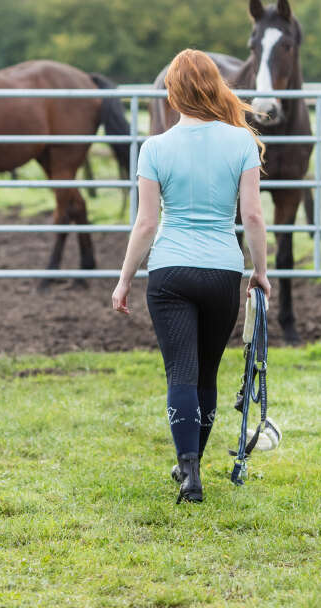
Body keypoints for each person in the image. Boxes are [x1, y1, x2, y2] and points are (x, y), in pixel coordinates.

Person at [112, 48, 271, 504]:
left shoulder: (155, 147)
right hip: (222, 269)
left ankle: (189, 472)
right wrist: (259, 272)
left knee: (179, 373)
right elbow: (254, 216)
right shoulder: (241, 141)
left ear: (173, 94)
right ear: (214, 87)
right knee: (206, 374)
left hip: (170, 271)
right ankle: (192, 465)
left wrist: (124, 280)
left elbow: (145, 223)